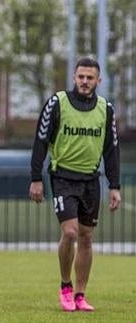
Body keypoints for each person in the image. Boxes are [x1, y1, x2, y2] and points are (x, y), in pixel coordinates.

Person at [29, 57, 121, 312]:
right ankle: (65, 286)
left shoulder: (106, 109)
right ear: (74, 77)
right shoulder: (57, 103)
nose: (84, 81)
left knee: (87, 237)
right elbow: (40, 141)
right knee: (69, 233)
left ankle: (80, 295)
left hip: (91, 180)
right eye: (81, 76)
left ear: (98, 81)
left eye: (90, 77)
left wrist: (115, 186)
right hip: (63, 177)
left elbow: (112, 150)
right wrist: (36, 178)